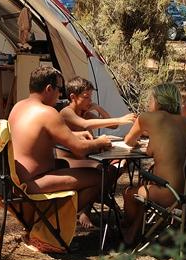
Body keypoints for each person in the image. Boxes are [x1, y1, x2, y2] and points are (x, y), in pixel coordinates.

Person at [8, 66, 113, 231]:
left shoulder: (18, 107)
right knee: (100, 177)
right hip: (34, 182)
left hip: (15, 179)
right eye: (59, 89)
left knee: (89, 167)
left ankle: (55, 216)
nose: (60, 95)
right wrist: (101, 142)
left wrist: (76, 135)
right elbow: (80, 150)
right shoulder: (48, 113)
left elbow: (39, 137)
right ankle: (51, 220)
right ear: (49, 88)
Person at [121, 83, 186, 246]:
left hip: (170, 193)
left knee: (130, 193)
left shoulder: (147, 117)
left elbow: (128, 140)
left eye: (150, 100)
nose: (149, 104)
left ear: (157, 101)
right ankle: (135, 233)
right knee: (147, 187)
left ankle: (125, 231)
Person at [60, 77, 136, 133]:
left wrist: (98, 108)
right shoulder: (67, 112)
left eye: (90, 96)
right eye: (86, 97)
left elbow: (113, 126)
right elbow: (85, 124)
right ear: (73, 97)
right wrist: (119, 120)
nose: (90, 100)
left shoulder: (85, 114)